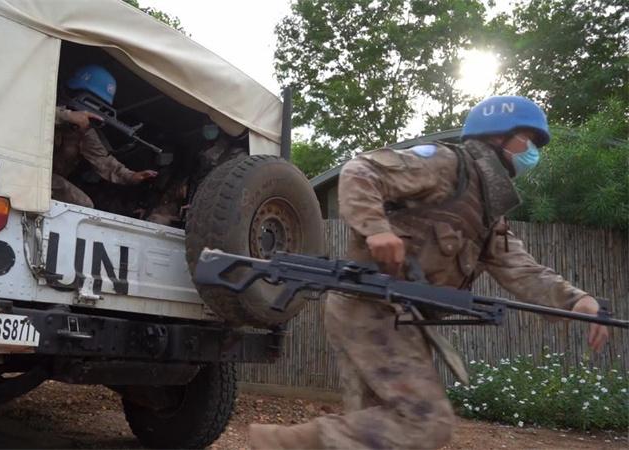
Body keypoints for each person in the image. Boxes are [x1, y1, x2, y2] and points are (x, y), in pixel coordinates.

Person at [248, 96, 609, 449]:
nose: (533, 152)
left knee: (379, 431)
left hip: (402, 317)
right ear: (499, 136)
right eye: (528, 140)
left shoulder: (488, 216)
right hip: (368, 305)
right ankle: (284, 444)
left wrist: (577, 301)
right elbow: (361, 170)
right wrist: (376, 229)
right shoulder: (446, 164)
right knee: (424, 423)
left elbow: (523, 269)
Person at [53, 64, 157, 208]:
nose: (94, 108)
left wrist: (130, 176)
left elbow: (102, 159)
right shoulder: (49, 105)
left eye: (99, 105)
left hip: (48, 179)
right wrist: (67, 116)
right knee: (83, 204)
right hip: (28, 167)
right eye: (90, 101)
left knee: (84, 205)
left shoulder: (84, 130)